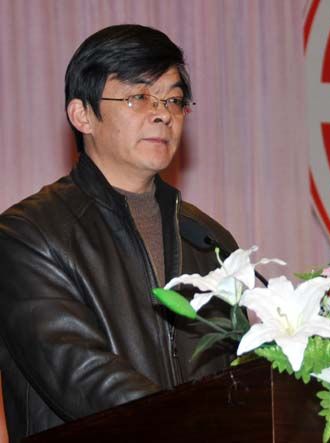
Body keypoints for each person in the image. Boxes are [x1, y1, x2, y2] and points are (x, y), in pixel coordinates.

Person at [0, 24, 237, 441]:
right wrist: (198, 428)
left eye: (173, 99)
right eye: (138, 97)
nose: (163, 113)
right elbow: (85, 379)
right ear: (82, 115)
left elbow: (243, 375)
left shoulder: (208, 238)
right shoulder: (28, 235)